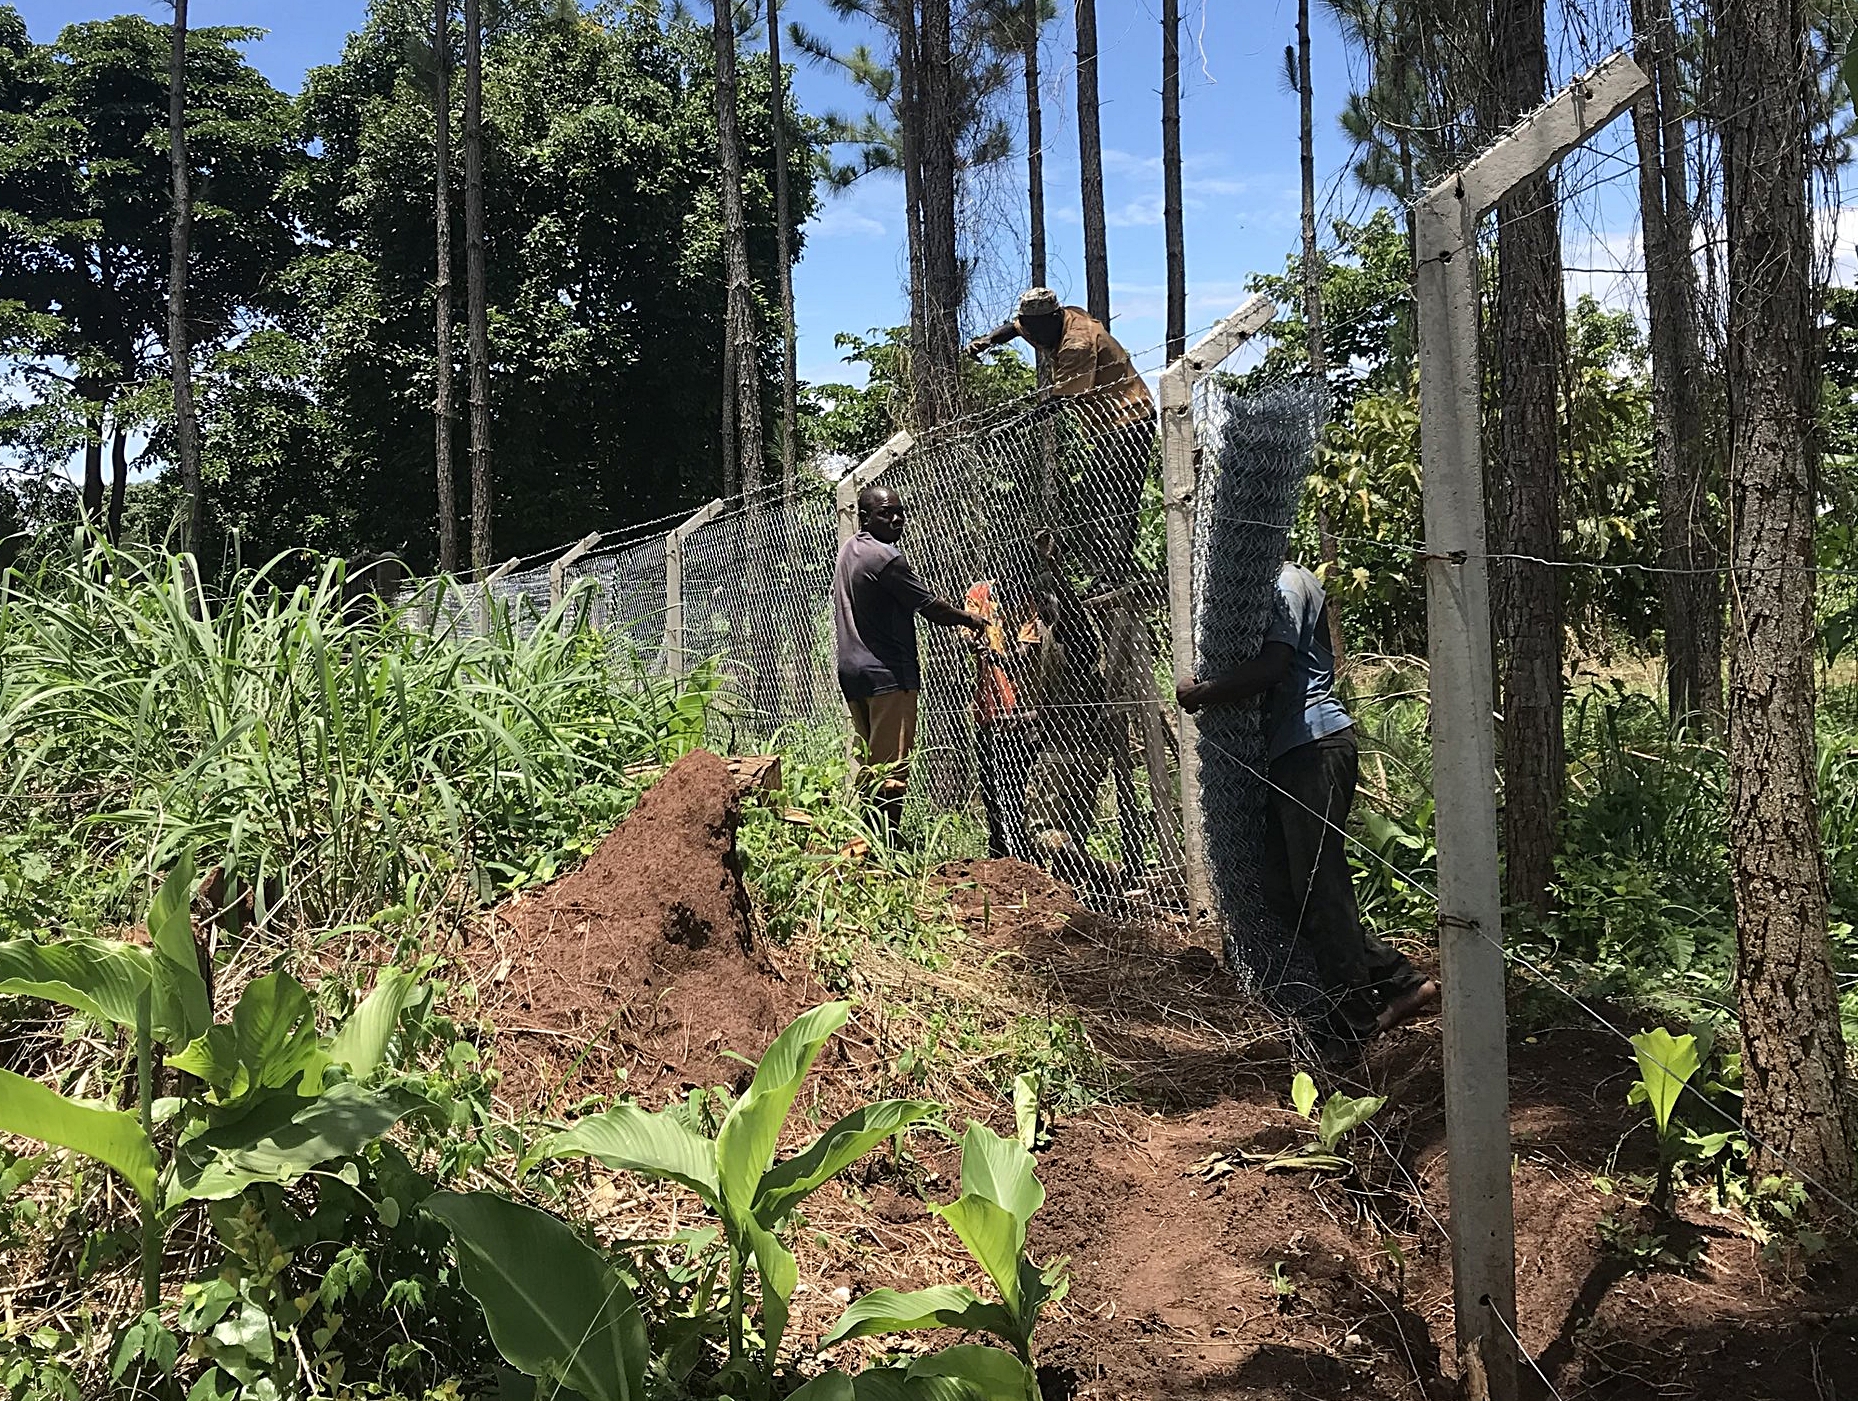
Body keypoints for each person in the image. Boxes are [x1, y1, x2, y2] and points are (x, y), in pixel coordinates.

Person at [1176, 561, 1439, 1049]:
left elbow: (1275, 665)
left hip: (1314, 745)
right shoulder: (1263, 593)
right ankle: (1397, 979)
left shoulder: (1287, 582)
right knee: (1282, 887)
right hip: (1290, 752)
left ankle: (1355, 1021)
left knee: (1320, 886)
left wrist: (1206, 693)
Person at [964, 288, 1155, 591]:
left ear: (1055, 317)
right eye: (1029, 326)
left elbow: (1060, 401)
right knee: (1096, 496)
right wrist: (987, 340)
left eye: (1037, 329)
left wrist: (1012, 428)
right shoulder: (1045, 323)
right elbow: (1014, 328)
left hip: (1129, 418)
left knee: (1114, 498)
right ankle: (1105, 572)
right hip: (1104, 425)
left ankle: (1113, 576)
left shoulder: (1077, 344)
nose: (1034, 336)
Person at [833, 484, 990, 835]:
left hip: (853, 672)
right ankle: (884, 847)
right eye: (885, 513)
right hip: (888, 675)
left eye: (899, 512)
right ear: (865, 517)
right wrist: (970, 619)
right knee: (891, 770)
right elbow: (929, 606)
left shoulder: (849, 550)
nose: (896, 519)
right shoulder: (886, 559)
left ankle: (865, 839)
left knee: (869, 765)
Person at [965, 578, 1033, 861]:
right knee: (991, 788)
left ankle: (1023, 854)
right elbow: (965, 630)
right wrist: (973, 639)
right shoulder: (979, 593)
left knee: (1018, 789)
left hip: (1021, 708)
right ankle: (998, 851)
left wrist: (994, 656)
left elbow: (1025, 653)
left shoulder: (1031, 599)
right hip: (988, 707)